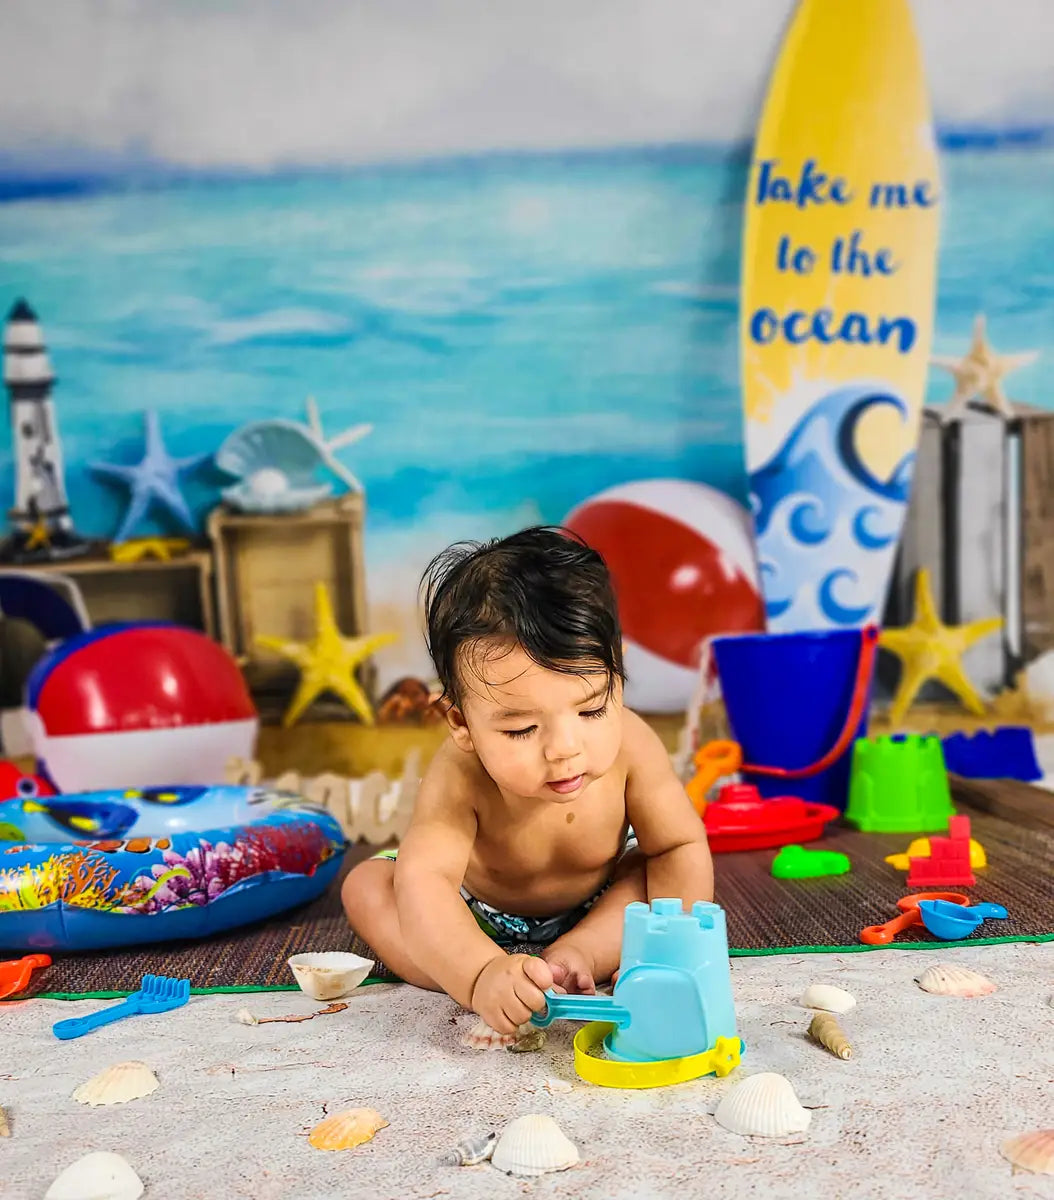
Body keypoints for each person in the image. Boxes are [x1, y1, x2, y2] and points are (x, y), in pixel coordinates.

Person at [341, 526, 713, 1034]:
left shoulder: (634, 743)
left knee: (650, 873)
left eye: (591, 709)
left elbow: (678, 846)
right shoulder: (459, 772)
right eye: (521, 728)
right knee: (370, 886)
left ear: (617, 679)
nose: (564, 748)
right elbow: (427, 881)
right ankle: (477, 975)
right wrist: (478, 973)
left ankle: (575, 956)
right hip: (473, 912)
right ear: (461, 724)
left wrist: (670, 950)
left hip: (596, 903)